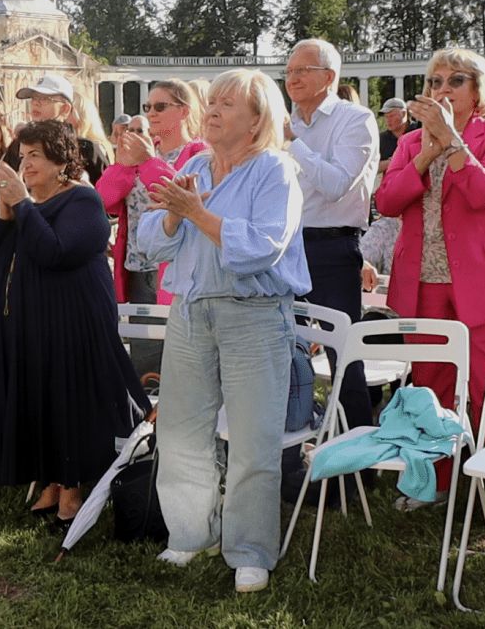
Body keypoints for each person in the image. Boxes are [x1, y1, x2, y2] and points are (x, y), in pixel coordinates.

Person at [136, 68, 311, 594]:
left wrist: (196, 212)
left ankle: (251, 550)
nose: (211, 111)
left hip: (253, 317)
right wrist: (173, 217)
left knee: (254, 440)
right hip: (190, 315)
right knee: (181, 433)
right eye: (210, 101)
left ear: (258, 119)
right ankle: (191, 534)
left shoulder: (276, 170)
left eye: (227, 104)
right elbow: (148, 242)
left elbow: (261, 247)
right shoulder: (191, 166)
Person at [0, 119, 149, 534]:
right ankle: (50, 484)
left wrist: (23, 206)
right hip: (26, 325)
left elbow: (54, 252)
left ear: (60, 161)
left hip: (72, 326)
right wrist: (4, 210)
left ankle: (72, 496)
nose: (26, 162)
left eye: (36, 155)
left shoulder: (83, 202)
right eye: (23, 154)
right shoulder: (20, 202)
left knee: (65, 405)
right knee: (38, 402)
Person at [378, 48, 485, 523]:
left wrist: (452, 142)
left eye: (454, 81)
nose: (442, 90)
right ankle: (436, 482)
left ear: (477, 93)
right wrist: (427, 150)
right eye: (434, 82)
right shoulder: (410, 142)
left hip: (483, 282)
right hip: (423, 284)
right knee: (430, 388)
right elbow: (388, 201)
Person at [284, 38, 379, 433]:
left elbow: (337, 184)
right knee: (284, 350)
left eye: (301, 70)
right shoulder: (287, 121)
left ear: (329, 76)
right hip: (286, 247)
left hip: (332, 250)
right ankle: (295, 446)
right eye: (288, 71)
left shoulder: (355, 119)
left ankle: (356, 460)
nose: (292, 79)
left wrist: (292, 145)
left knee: (344, 356)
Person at [97, 78, 208, 378]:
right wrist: (122, 164)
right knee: (145, 361)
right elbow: (103, 200)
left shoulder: (199, 152)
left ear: (184, 111)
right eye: (148, 107)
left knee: (178, 358)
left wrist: (146, 162)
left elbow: (177, 196)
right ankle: (148, 419)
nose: (151, 113)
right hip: (137, 266)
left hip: (175, 269)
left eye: (160, 106)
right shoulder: (146, 150)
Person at [4, 74, 111, 185]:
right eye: (34, 98)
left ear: (65, 109)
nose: (36, 103)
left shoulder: (86, 149)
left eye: (46, 98)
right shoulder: (19, 146)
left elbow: (105, 193)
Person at [378, 98, 418, 175]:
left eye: (391, 116)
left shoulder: (419, 131)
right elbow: (373, 167)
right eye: (386, 116)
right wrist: (394, 161)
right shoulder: (382, 139)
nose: (388, 120)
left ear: (403, 114)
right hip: (393, 184)